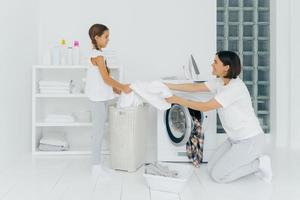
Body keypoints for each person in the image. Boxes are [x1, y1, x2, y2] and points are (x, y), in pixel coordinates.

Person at [164, 51, 272, 183]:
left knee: (218, 176)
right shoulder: (220, 82)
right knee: (210, 168)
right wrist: (167, 85)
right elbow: (195, 87)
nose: (212, 65)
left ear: (226, 67)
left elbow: (205, 107)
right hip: (234, 139)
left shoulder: (234, 89)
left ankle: (259, 164)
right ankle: (247, 161)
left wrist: (177, 100)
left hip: (250, 141)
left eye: (215, 62)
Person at [85, 24, 131, 179]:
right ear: (97, 38)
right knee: (97, 133)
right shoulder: (97, 56)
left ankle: (98, 165)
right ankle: (95, 167)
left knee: (100, 131)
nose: (108, 40)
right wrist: (122, 87)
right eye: (106, 37)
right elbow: (106, 78)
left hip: (101, 98)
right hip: (97, 99)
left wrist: (118, 90)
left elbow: (102, 81)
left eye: (108, 37)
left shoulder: (99, 55)